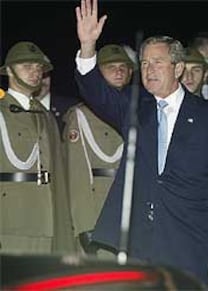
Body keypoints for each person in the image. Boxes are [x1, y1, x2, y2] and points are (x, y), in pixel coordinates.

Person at [74, 0, 208, 284]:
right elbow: (95, 91)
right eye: (143, 63)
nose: (148, 69)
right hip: (138, 239)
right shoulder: (133, 105)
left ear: (177, 68)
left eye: (157, 62)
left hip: (187, 239)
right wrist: (88, 46)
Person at [0, 41, 75, 255]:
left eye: (38, 67)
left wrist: (64, 227)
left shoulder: (46, 115)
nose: (35, 72)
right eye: (27, 66)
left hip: (47, 217)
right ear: (9, 71)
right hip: (10, 219)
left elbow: (59, 173)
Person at [62, 44, 135, 255]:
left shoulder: (143, 110)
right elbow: (76, 176)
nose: (119, 70)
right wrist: (85, 226)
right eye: (110, 66)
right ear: (97, 73)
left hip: (134, 214)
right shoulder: (81, 116)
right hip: (100, 213)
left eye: (124, 66)